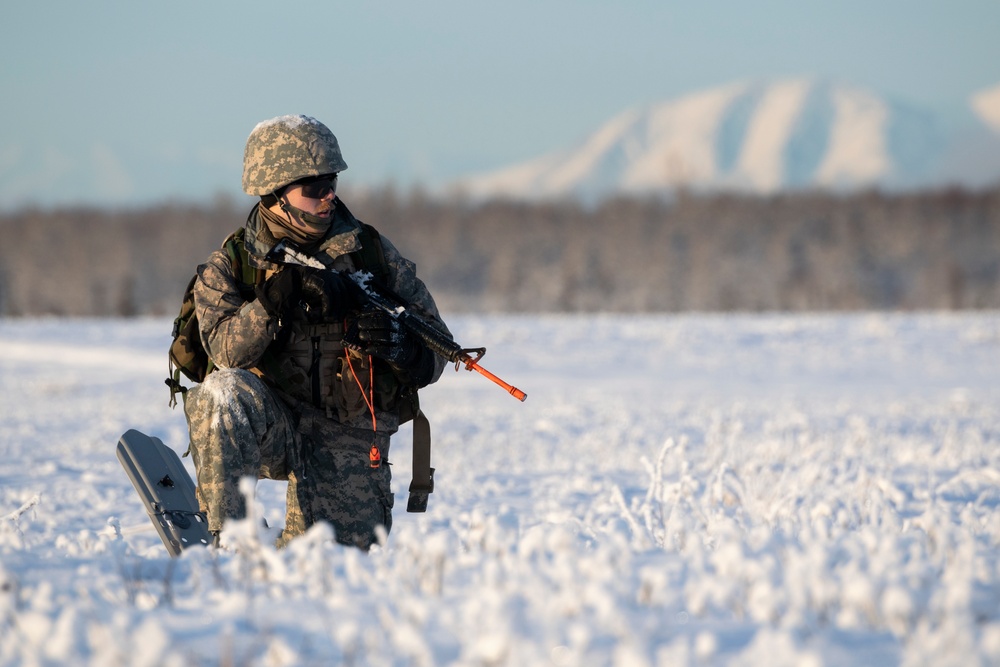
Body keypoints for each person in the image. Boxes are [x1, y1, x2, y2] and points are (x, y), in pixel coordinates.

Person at [183, 114, 451, 550]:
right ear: (273, 193)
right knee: (222, 395)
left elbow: (436, 344)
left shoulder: (371, 254)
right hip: (273, 422)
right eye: (314, 188)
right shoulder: (231, 265)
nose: (329, 196)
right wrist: (272, 301)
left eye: (332, 183)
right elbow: (225, 352)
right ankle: (227, 546)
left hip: (349, 433)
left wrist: (403, 348)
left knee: (334, 573)